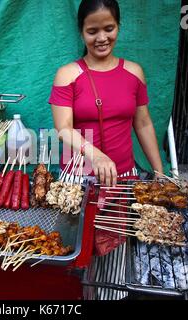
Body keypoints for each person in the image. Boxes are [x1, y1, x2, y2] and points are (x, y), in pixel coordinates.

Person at [48, 0, 164, 299]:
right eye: (93, 30)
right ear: (81, 32)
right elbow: (63, 128)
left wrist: (161, 172)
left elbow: (144, 124)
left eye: (109, 28)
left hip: (123, 177)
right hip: (78, 180)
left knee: (114, 257)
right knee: (78, 257)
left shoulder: (134, 72)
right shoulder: (68, 74)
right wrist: (95, 153)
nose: (102, 38)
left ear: (119, 27)